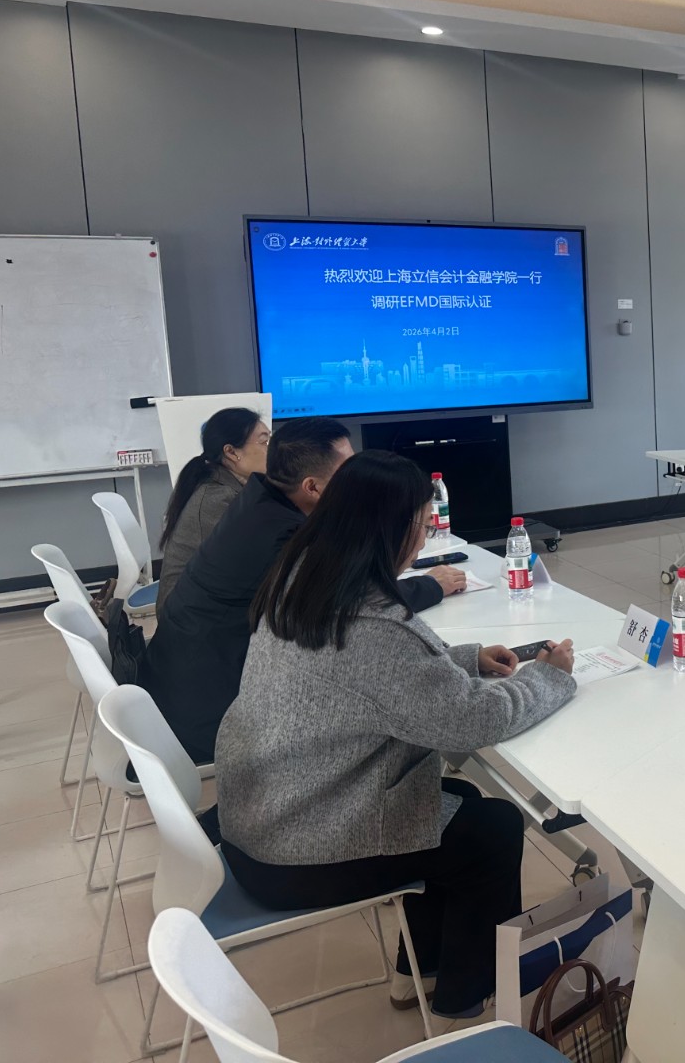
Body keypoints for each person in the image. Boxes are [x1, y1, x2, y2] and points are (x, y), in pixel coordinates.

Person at [215, 450, 577, 1020]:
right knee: (492, 830)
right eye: (423, 524)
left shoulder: (303, 576)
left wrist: (465, 659)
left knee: (448, 805)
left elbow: (376, 680)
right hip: (296, 849)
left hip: (262, 814)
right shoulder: (370, 623)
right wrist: (548, 680)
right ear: (395, 530)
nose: (424, 537)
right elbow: (470, 721)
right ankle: (466, 1007)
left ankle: (421, 972)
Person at [145, 417, 466, 764]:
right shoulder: (283, 537)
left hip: (179, 684)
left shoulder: (259, 501)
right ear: (312, 487)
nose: (358, 479)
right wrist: (431, 585)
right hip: (212, 715)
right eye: (348, 472)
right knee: (380, 700)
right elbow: (353, 607)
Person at [155, 408, 271, 618]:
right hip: (188, 619)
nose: (272, 449)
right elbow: (254, 563)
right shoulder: (218, 499)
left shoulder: (231, 485)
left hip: (203, 606)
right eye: (264, 442)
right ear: (232, 452)